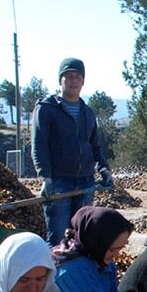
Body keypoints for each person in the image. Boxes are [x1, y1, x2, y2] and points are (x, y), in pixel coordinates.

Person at [31, 58, 112, 246]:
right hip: (59, 182)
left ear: (83, 81)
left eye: (77, 77)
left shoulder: (87, 112)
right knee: (59, 239)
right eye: (68, 76)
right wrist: (46, 177)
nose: (73, 81)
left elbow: (94, 145)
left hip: (86, 181)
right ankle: (55, 266)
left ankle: (77, 266)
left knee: (81, 238)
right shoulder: (46, 109)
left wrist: (104, 169)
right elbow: (39, 145)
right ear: (60, 80)